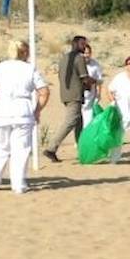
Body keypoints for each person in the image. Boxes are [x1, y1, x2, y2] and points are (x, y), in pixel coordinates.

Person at [0, 39, 50, 194]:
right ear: (25, 53)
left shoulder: (1, 67)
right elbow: (44, 92)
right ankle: (18, 184)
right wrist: (37, 110)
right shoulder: (30, 69)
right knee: (21, 149)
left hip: (2, 110)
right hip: (23, 111)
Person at [44, 34, 91, 163]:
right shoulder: (79, 58)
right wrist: (93, 83)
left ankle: (83, 149)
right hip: (74, 94)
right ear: (75, 44)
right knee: (70, 122)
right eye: (83, 44)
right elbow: (84, 77)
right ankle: (51, 148)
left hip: (66, 93)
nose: (84, 47)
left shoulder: (64, 58)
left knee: (78, 123)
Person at [80, 43, 104, 128]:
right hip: (78, 96)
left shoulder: (95, 65)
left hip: (90, 96)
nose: (86, 55)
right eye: (84, 53)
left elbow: (99, 81)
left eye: (88, 53)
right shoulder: (77, 64)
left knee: (88, 119)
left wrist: (98, 94)